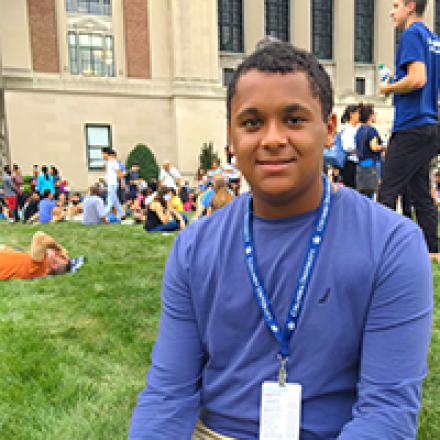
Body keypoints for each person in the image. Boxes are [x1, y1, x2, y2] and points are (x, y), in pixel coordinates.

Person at [129, 42, 433, 439]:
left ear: (328, 130)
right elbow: (168, 394)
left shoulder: (393, 244)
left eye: (293, 119)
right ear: (232, 139)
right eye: (252, 123)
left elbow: (386, 413)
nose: (272, 138)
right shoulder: (193, 247)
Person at [378, 0, 440, 260]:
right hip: (430, 125)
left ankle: (382, 251)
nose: (392, 12)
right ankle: (433, 250)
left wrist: (388, 87)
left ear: (410, 6)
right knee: (420, 191)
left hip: (411, 125)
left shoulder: (411, 34)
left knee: (387, 191)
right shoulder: (434, 40)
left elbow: (417, 79)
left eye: (395, 5)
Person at [0, 231, 70, 280]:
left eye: (59, 255)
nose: (55, 251)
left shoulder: (39, 266)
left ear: (54, 265)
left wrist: (60, 248)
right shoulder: (34, 261)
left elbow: (39, 237)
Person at [355, 104, 386, 199]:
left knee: (363, 195)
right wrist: (385, 147)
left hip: (361, 165)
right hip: (372, 164)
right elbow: (374, 147)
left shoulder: (359, 130)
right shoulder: (372, 130)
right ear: (371, 115)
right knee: (373, 193)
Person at [340, 104, 360, 189]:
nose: (359, 116)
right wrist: (359, 149)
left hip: (355, 162)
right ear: (352, 114)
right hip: (350, 163)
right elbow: (347, 147)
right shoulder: (348, 129)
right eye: (358, 113)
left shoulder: (354, 129)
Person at [102, 148, 125, 220]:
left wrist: (122, 181)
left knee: (110, 200)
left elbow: (119, 173)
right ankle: (122, 214)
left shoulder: (113, 162)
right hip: (110, 184)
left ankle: (103, 215)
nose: (102, 156)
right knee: (115, 200)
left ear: (106, 154)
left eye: (102, 154)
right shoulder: (108, 163)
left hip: (113, 184)